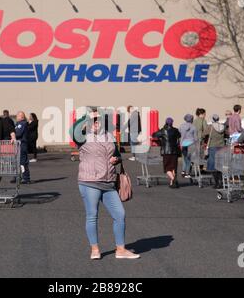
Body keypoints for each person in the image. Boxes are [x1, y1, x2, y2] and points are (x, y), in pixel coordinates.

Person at [72, 110, 140, 260]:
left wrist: (116, 159)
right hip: (90, 181)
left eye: (98, 120)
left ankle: (121, 250)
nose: (96, 123)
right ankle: (95, 249)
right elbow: (73, 129)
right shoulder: (82, 137)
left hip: (108, 182)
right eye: (93, 121)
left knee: (120, 214)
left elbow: (117, 154)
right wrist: (86, 117)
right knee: (92, 215)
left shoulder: (109, 136)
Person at [153, 118, 181, 188]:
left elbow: (154, 135)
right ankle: (172, 183)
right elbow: (179, 135)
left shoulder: (163, 130)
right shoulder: (175, 130)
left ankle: (173, 179)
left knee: (167, 168)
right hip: (174, 151)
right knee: (173, 167)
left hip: (166, 151)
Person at [204, 114, 226, 189]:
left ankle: (217, 182)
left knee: (213, 165)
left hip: (213, 147)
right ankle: (221, 181)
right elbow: (226, 134)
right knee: (220, 165)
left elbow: (204, 135)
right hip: (221, 147)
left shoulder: (210, 127)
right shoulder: (222, 126)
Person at [13, 111, 31, 184]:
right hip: (19, 145)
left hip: (22, 145)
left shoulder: (22, 124)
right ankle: (18, 177)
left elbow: (18, 133)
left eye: (17, 116)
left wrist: (12, 134)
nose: (16, 118)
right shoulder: (19, 124)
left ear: (21, 117)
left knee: (23, 162)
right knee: (17, 161)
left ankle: (25, 178)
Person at [179, 114, 198, 179]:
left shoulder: (181, 126)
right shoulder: (194, 127)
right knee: (189, 159)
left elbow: (179, 135)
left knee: (184, 158)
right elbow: (196, 138)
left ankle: (183, 171)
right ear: (192, 119)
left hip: (183, 144)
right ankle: (187, 173)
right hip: (191, 144)